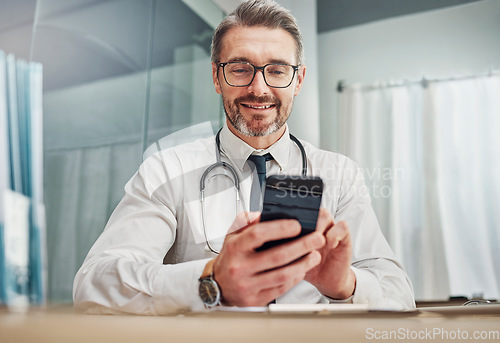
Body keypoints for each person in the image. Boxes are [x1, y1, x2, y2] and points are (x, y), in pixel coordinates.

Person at [73, 0, 415, 314]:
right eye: (240, 69)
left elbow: (399, 293)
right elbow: (94, 283)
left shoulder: (339, 174)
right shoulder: (166, 169)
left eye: (278, 70)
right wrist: (212, 279)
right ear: (216, 77)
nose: (260, 88)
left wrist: (345, 285)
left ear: (298, 80)